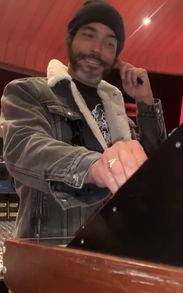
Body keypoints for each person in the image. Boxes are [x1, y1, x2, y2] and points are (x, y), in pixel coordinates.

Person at [1, 0, 167, 241]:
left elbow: (155, 166)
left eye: (109, 43)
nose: (97, 49)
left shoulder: (117, 111)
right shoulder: (28, 92)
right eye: (89, 35)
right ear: (70, 38)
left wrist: (146, 102)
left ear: (116, 56)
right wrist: (94, 167)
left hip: (114, 250)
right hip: (54, 252)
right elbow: (23, 149)